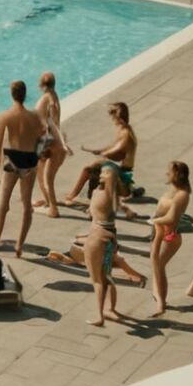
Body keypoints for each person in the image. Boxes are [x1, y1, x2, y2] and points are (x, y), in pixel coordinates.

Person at [0, 80, 47, 257]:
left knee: (3, 201)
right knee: (26, 205)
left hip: (12, 159)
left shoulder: (5, 116)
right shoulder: (35, 117)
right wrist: (38, 157)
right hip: (30, 160)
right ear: (25, 94)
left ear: (11, 94)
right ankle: (19, 246)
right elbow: (43, 140)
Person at [63, 102, 138, 213]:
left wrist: (103, 153)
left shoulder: (126, 133)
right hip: (120, 170)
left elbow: (116, 150)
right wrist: (100, 150)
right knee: (96, 167)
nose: (111, 118)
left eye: (112, 114)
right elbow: (112, 146)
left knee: (89, 169)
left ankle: (73, 196)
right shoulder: (124, 129)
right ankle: (118, 205)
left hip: (123, 177)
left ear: (118, 116)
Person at [83, 164, 125, 326]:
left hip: (96, 238)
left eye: (106, 173)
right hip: (110, 238)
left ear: (111, 177)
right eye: (102, 172)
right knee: (107, 275)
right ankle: (111, 309)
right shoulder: (109, 194)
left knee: (97, 280)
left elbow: (92, 213)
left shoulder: (103, 193)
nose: (101, 174)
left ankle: (100, 316)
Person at [149, 161, 192, 316]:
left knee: (159, 265)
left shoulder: (182, 194)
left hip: (169, 234)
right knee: (156, 264)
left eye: (169, 171)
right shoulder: (173, 190)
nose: (167, 173)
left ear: (177, 174)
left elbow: (171, 217)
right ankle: (159, 297)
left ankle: (161, 303)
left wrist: (155, 221)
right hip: (159, 230)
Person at [32, 72, 73, 217]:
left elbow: (53, 124)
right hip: (47, 142)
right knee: (39, 172)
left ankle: (53, 209)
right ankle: (48, 201)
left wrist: (62, 143)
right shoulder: (53, 97)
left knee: (47, 178)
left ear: (41, 85)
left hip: (50, 143)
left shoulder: (49, 100)